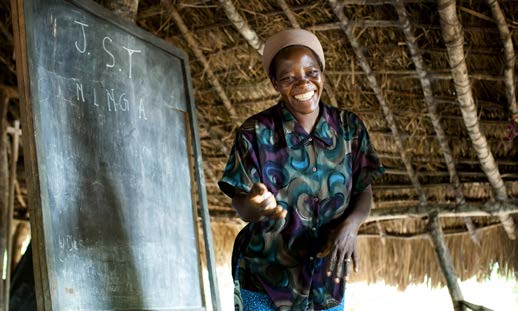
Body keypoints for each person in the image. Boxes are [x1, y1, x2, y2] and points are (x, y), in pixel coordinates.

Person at [218, 29, 384, 311]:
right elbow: (242, 206)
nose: (303, 83)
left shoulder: (349, 129)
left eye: (311, 72)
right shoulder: (255, 132)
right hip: (266, 279)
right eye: (288, 78)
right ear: (274, 83)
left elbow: (363, 190)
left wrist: (351, 225)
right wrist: (258, 207)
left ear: (322, 72)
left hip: (326, 279)